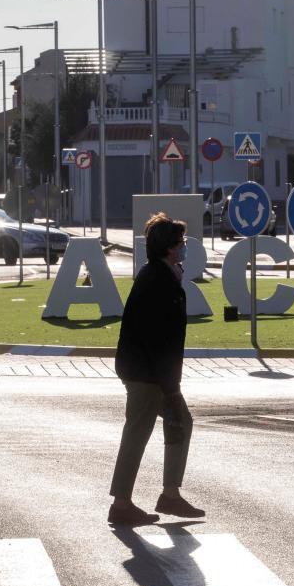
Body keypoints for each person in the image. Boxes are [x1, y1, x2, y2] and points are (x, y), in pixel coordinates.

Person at [108, 213, 205, 526]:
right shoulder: (159, 281)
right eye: (182, 243)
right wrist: (170, 387)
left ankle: (170, 495)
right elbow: (159, 338)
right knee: (139, 432)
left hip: (147, 370)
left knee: (177, 423)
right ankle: (123, 503)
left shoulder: (161, 275)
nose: (186, 247)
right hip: (146, 373)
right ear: (171, 248)